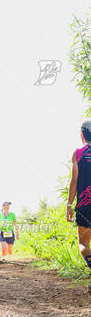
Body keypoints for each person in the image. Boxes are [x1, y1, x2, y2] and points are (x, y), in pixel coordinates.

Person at [67, 121, 91, 291]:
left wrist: (69, 204)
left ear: (82, 135)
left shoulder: (78, 153)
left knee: (83, 243)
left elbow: (74, 182)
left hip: (84, 206)